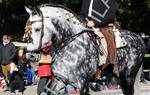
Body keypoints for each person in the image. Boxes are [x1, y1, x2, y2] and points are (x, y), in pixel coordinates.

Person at [80, 0, 118, 79]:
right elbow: (82, 14)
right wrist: (83, 22)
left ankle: (110, 66)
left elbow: (111, 15)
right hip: (86, 25)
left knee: (109, 37)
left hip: (104, 25)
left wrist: (95, 22)